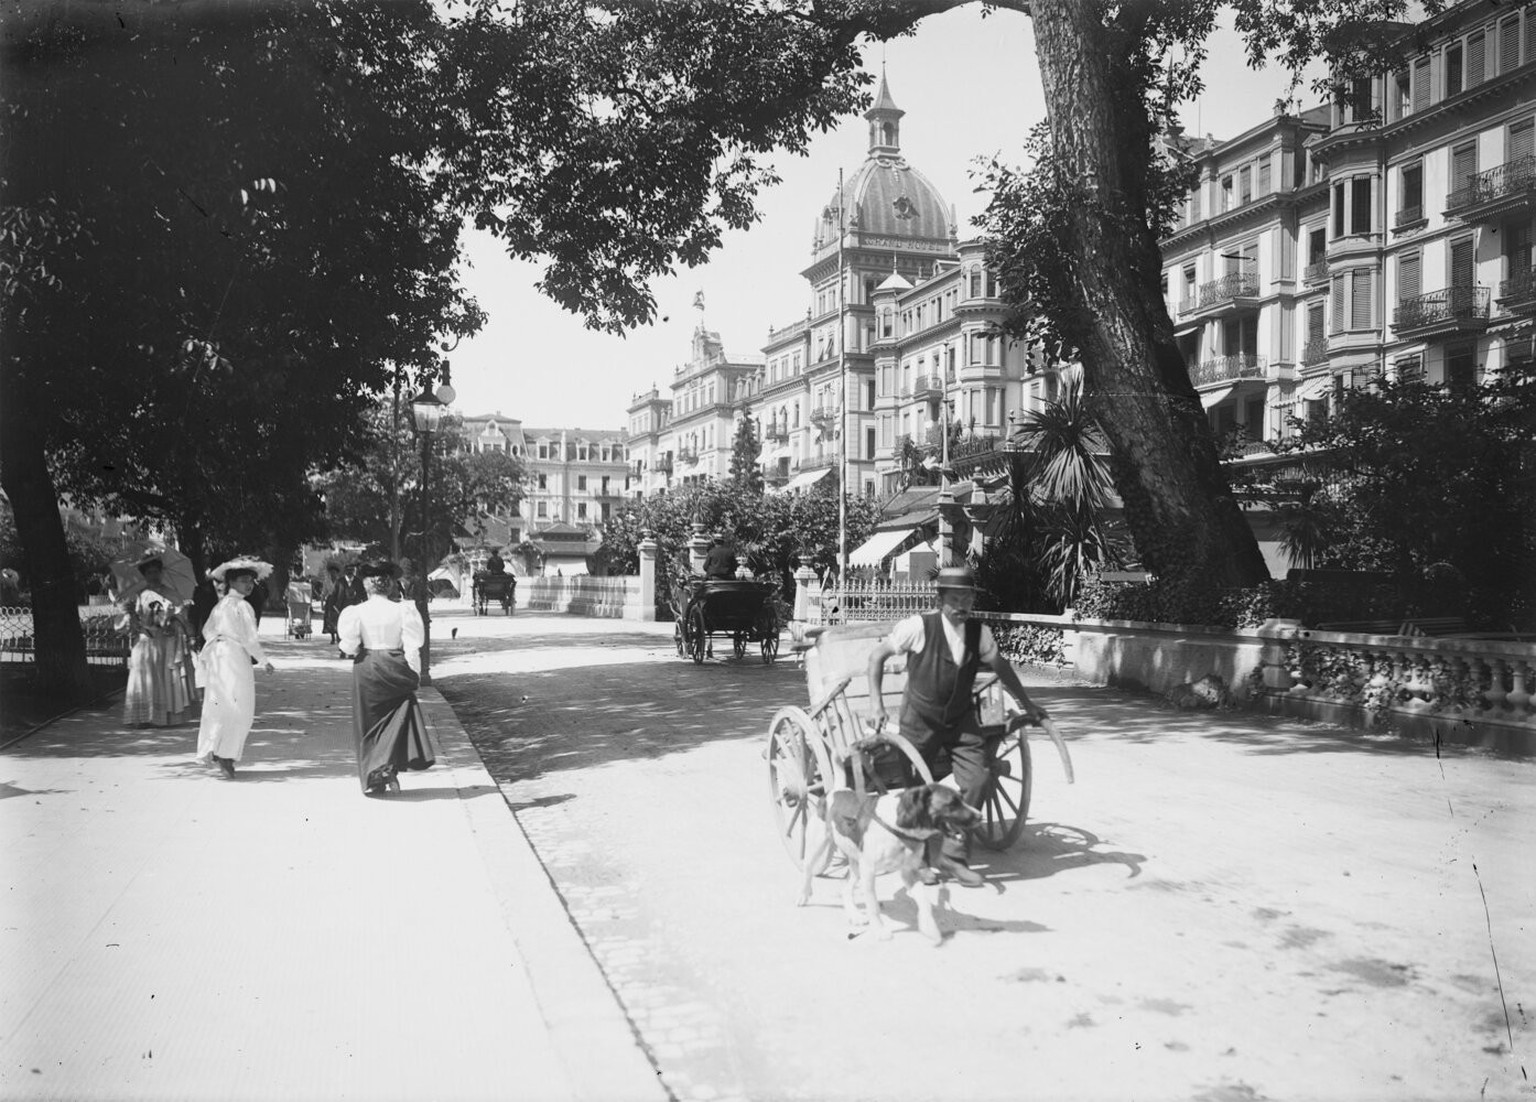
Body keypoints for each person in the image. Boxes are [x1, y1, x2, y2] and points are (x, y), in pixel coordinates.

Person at [863, 565, 1049, 887]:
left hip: (960, 720)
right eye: (955, 599)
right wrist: (877, 704)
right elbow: (876, 657)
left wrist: (1028, 703)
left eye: (967, 598)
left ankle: (952, 856)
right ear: (940, 598)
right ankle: (918, 861)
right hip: (919, 720)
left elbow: (1000, 667)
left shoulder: (980, 633)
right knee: (917, 794)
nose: (962, 606)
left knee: (978, 778)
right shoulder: (918, 627)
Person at [337, 560, 435, 796]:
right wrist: (414, 673)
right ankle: (387, 767)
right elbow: (413, 644)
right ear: (390, 584)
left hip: (368, 666)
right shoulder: (404, 610)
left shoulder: (356, 612)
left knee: (369, 723)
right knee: (397, 717)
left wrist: (352, 645)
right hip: (395, 664)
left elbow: (349, 647)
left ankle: (374, 775)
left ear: (366, 585)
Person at [195, 560, 275, 778]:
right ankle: (225, 754)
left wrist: (217, 643)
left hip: (218, 656)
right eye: (243, 580)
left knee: (220, 702)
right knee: (240, 705)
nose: (248, 585)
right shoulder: (242, 606)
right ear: (231, 581)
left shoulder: (221, 605)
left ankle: (218, 747)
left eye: (251, 581)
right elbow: (250, 638)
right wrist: (264, 660)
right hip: (234, 657)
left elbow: (206, 630)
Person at [120, 555, 195, 727]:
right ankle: (142, 717)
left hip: (164, 643)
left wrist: (172, 623)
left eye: (156, 571)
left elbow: (182, 619)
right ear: (144, 575)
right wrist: (131, 615)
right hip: (144, 642)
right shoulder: (139, 595)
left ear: (162, 572)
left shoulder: (172, 595)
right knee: (142, 677)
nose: (153, 575)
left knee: (161, 678)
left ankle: (162, 717)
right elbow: (132, 625)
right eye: (149, 572)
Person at [320, 562, 349, 645]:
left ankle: (338, 636)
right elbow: (323, 593)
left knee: (339, 619)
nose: (333, 574)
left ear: (337, 573)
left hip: (339, 600)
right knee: (330, 619)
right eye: (331, 573)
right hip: (330, 601)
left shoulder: (341, 581)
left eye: (335, 573)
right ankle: (332, 637)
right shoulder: (326, 582)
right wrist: (322, 604)